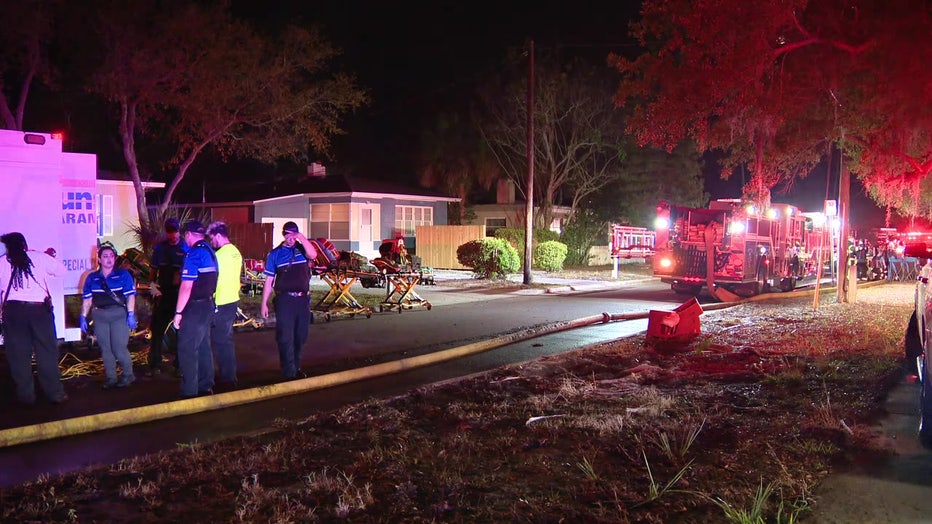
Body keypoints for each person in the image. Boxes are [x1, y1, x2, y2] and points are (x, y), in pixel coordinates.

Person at [0, 232, 68, 405]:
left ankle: (26, 396)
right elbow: (61, 270)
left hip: (13, 312)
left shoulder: (1, 262)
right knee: (46, 352)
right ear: (24, 244)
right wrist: (48, 256)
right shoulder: (38, 257)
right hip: (39, 311)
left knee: (18, 356)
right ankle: (55, 393)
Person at [260, 221, 318, 380]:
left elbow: (313, 255)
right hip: (285, 300)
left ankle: (296, 367)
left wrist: (302, 238)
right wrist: (264, 303)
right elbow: (269, 281)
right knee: (285, 336)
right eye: (288, 235)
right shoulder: (275, 254)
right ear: (283, 235)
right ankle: (289, 372)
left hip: (302, 300)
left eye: (294, 235)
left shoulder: (302, 249)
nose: (291, 238)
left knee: (301, 335)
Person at [80, 243, 138, 389]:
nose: (109, 259)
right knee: (106, 349)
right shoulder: (92, 278)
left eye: (111, 256)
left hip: (118, 314)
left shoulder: (123, 275)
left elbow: (130, 296)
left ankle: (128, 375)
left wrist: (130, 314)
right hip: (99, 315)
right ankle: (111, 377)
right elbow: (87, 300)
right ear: (99, 259)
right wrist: (83, 316)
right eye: (105, 256)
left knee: (119, 348)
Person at [172, 221, 219, 399]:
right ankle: (205, 385)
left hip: (195, 306)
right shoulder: (210, 252)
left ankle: (189, 391)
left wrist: (178, 313)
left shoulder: (194, 253)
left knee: (187, 348)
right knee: (204, 346)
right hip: (207, 305)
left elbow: (186, 286)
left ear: (189, 235)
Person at [146, 217, 188, 376]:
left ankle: (179, 366)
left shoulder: (185, 248)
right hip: (163, 294)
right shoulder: (160, 249)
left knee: (180, 331)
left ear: (179, 231)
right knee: (157, 330)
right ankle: (154, 364)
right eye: (169, 232)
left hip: (179, 295)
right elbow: (153, 270)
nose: (172, 235)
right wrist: (152, 285)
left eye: (175, 231)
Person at [207, 221, 243, 389]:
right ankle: (229, 375)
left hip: (220, 302)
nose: (211, 241)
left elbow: (214, 279)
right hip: (232, 300)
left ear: (219, 236)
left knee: (220, 341)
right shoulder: (236, 252)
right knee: (226, 340)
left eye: (212, 238)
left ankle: (227, 379)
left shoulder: (219, 256)